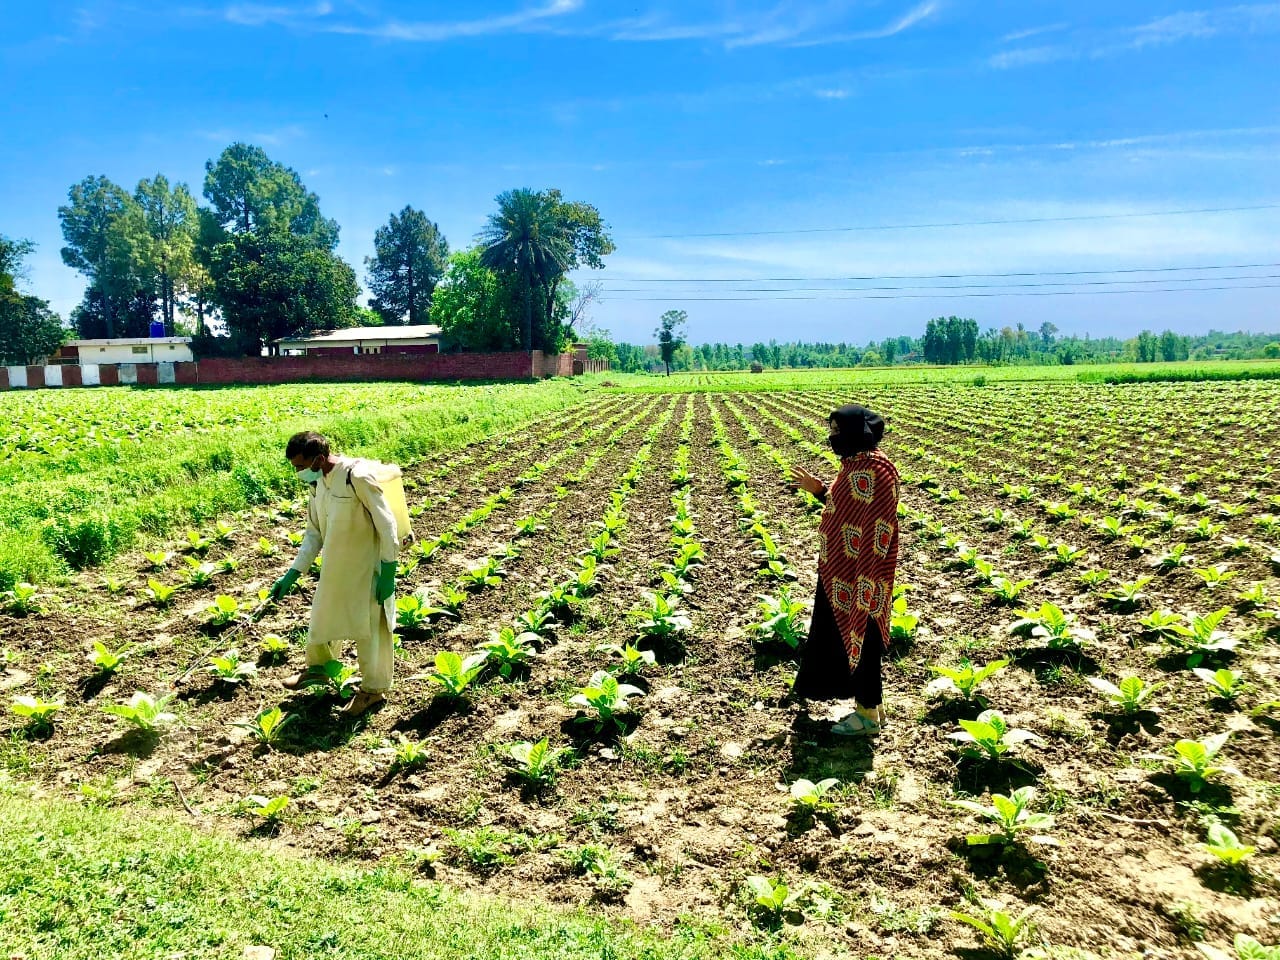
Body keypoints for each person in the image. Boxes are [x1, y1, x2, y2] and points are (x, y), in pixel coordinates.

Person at [269, 431, 400, 717]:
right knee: (323, 614)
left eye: (300, 466)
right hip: (336, 565)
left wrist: (388, 571)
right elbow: (314, 533)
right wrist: (292, 573)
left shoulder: (357, 477)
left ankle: (372, 691)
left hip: (368, 567)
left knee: (369, 628)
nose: (298, 473)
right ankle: (319, 669)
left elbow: (387, 525)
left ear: (318, 459)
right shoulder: (317, 484)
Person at [791, 405, 899, 737]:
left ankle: (867, 717)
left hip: (862, 573)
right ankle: (873, 706)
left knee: (862, 632)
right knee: (845, 634)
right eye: (832, 430)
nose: (833, 437)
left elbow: (878, 524)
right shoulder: (854, 466)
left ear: (856, 431)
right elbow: (846, 508)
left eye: (838, 430)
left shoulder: (877, 470)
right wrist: (820, 491)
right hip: (839, 570)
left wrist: (864, 573)